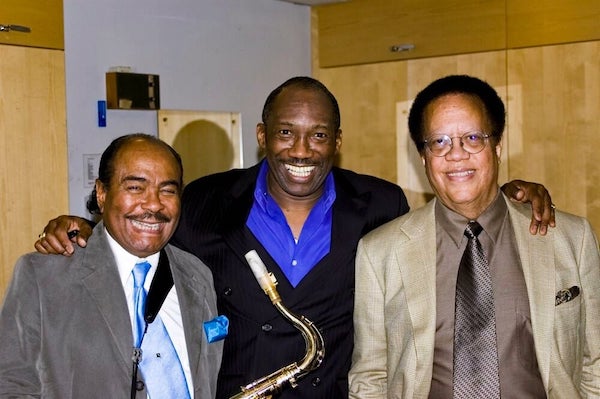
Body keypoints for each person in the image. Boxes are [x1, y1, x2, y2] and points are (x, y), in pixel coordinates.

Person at [33, 77, 555, 399]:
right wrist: (88, 229)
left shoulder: (382, 205)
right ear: (263, 135)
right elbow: (145, 238)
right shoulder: (203, 202)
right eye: (285, 132)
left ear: (337, 142)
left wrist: (505, 196)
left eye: (319, 135)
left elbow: (450, 223)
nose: (301, 150)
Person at [348, 75, 600, 398]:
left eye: (472, 138)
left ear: (497, 146)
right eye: (439, 141)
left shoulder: (572, 239)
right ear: (423, 157)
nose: (457, 154)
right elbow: (369, 379)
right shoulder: (379, 253)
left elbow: (594, 363)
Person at [0, 134, 223, 398]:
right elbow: (12, 385)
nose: (154, 204)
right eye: (135, 188)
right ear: (102, 193)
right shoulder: (43, 276)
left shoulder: (197, 275)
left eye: (168, 190)